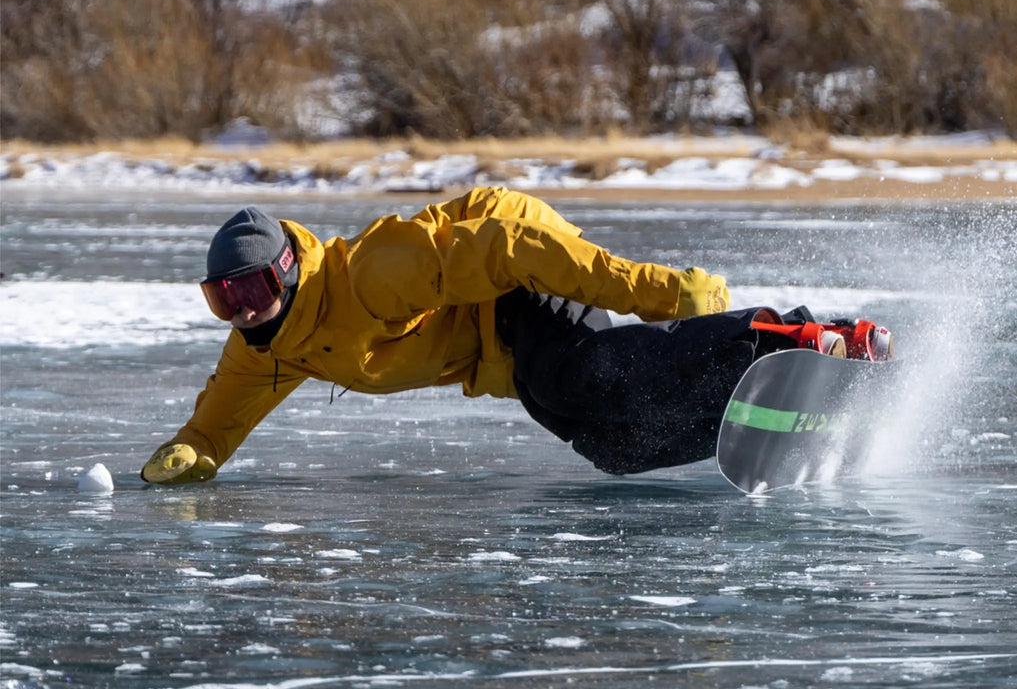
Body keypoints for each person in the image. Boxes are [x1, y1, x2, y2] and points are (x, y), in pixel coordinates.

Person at [140, 186, 891, 485]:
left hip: (509, 271)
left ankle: (790, 335)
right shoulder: (269, 346)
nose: (241, 309)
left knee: (586, 378)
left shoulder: (371, 274)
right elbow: (219, 419)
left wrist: (658, 290)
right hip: (496, 353)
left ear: (288, 271)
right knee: (611, 445)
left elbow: (506, 247)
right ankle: (749, 408)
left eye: (252, 288)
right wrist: (189, 455)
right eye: (222, 298)